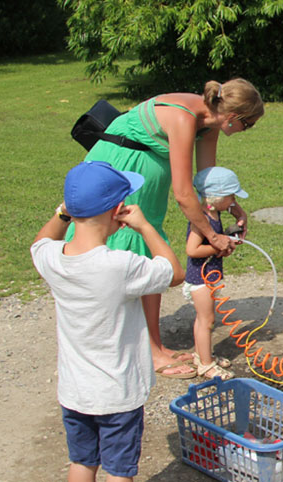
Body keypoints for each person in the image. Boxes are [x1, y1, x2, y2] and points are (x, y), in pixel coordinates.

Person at [31, 161, 185, 482]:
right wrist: (146, 226)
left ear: (73, 210)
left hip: (75, 390)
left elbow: (41, 240)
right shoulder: (118, 266)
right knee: (119, 470)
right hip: (116, 392)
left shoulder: (53, 259)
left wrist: (62, 214)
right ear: (117, 209)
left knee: (82, 461)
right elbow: (174, 271)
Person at [67, 78, 264, 379]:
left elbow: (205, 182)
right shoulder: (184, 116)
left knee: (149, 248)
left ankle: (153, 343)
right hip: (121, 168)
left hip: (146, 176)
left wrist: (233, 206)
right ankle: (148, 349)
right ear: (235, 117)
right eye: (247, 125)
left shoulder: (209, 123)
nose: (245, 131)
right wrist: (212, 236)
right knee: (130, 247)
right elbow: (184, 194)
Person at [184, 166, 249, 380]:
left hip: (208, 274)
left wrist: (239, 219)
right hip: (200, 278)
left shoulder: (214, 211)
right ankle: (206, 365)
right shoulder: (201, 221)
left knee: (205, 319)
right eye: (230, 196)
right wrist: (219, 246)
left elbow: (231, 208)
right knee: (207, 320)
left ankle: (202, 355)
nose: (233, 200)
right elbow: (192, 250)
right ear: (217, 197)